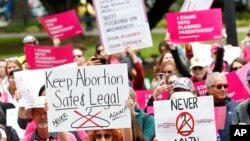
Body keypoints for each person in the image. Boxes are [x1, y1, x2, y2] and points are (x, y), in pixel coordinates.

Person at [205, 72, 238, 141]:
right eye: (219, 86)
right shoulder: (201, 107)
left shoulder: (235, 105)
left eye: (225, 86)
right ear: (208, 88)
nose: (223, 89)